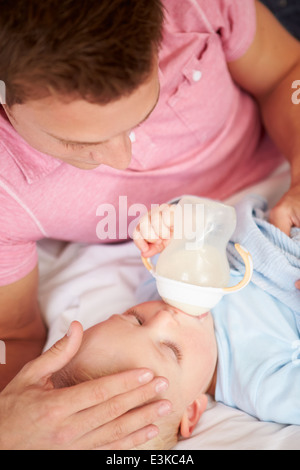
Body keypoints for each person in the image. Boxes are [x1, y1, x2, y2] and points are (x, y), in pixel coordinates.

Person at [0, 0, 300, 450]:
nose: (123, 160)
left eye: (146, 108)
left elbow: (288, 73)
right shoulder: (259, 378)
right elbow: (13, 336)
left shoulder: (195, 8)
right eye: (77, 142)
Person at [50, 194, 300, 450]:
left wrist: (168, 223)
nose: (163, 316)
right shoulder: (262, 385)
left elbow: (195, 226)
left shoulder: (160, 287)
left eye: (135, 319)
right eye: (171, 350)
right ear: (191, 411)